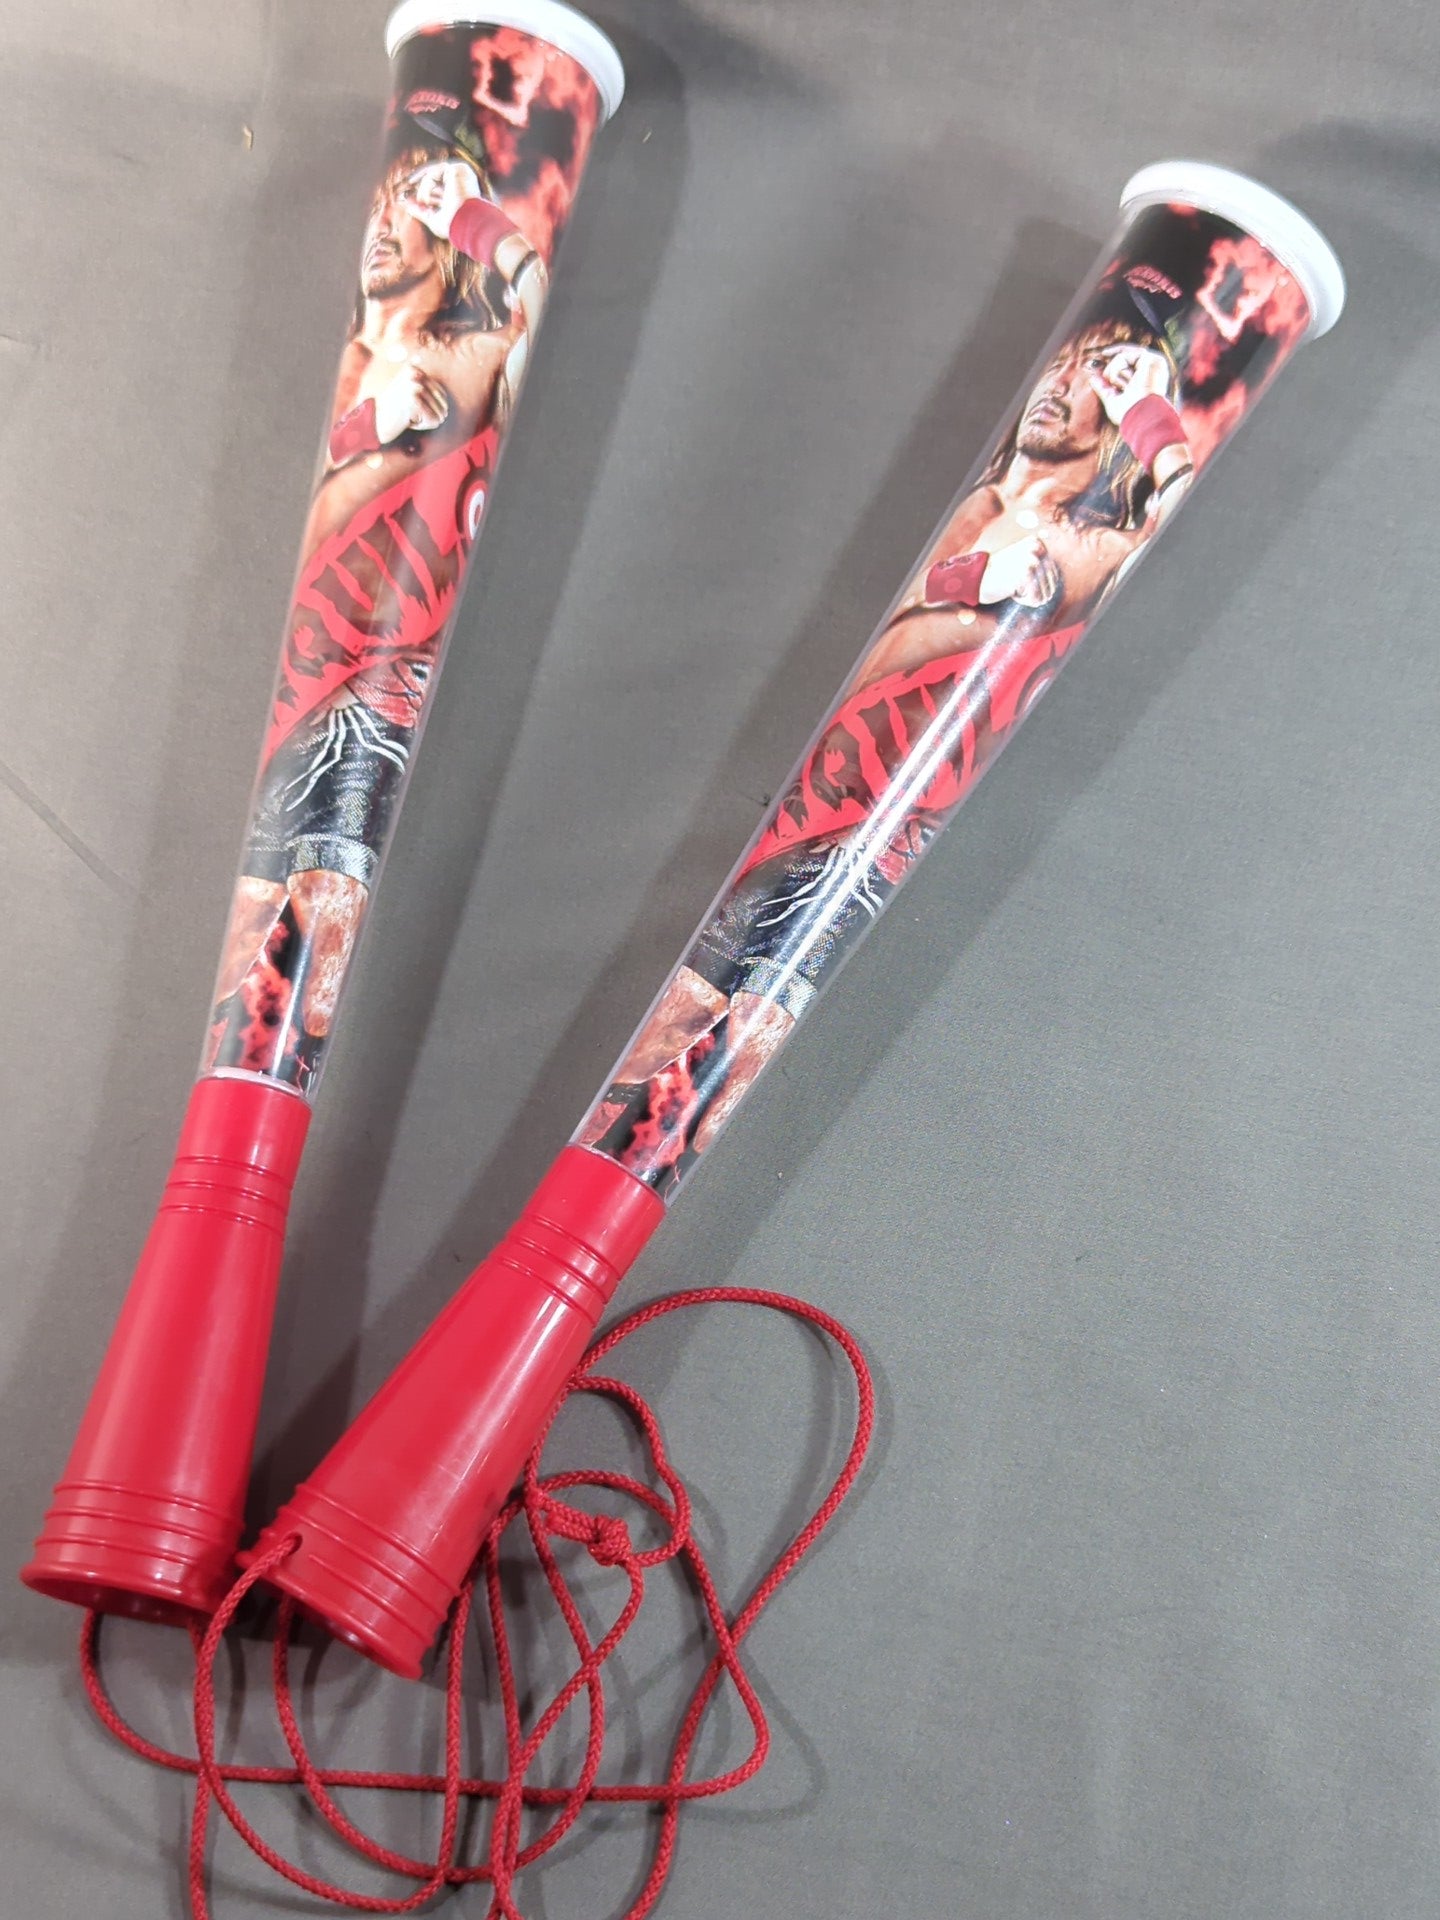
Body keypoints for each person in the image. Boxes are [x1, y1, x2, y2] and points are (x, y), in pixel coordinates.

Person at [586, 319, 1194, 1173]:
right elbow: (919, 607)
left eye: (1104, 374)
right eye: (1062, 361)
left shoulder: (1085, 545)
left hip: (871, 840)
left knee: (731, 1060)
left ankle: (596, 1215)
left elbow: (1166, 519)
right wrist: (974, 577)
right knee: (669, 1023)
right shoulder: (980, 512)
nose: (1062, 382)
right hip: (805, 806)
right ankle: (576, 1198)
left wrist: (1154, 420)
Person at [212, 147, 545, 1058]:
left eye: (413, 203)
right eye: (385, 197)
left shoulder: (474, 360)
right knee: (247, 944)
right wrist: (371, 423)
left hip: (376, 701)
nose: (387, 220)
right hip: (297, 692)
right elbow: (323, 504)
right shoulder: (350, 370)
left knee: (314, 971)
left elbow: (539, 305)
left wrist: (472, 216)